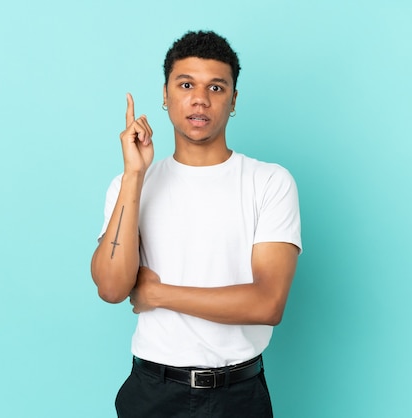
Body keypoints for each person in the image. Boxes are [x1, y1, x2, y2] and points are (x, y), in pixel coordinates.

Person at [91, 30, 302, 418]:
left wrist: (159, 294)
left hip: (239, 395)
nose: (200, 99)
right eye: (186, 84)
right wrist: (134, 175)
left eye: (217, 87)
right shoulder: (129, 185)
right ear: (166, 95)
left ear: (234, 100)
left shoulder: (269, 182)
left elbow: (268, 303)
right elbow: (111, 287)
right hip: (152, 392)